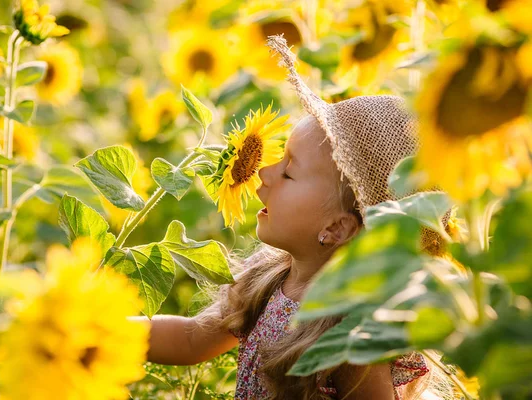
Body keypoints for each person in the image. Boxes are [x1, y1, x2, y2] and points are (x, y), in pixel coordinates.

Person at [142, 36, 449, 399]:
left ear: (337, 228)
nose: (265, 173)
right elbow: (190, 339)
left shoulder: (349, 333)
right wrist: (99, 329)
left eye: (289, 172)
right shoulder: (268, 278)